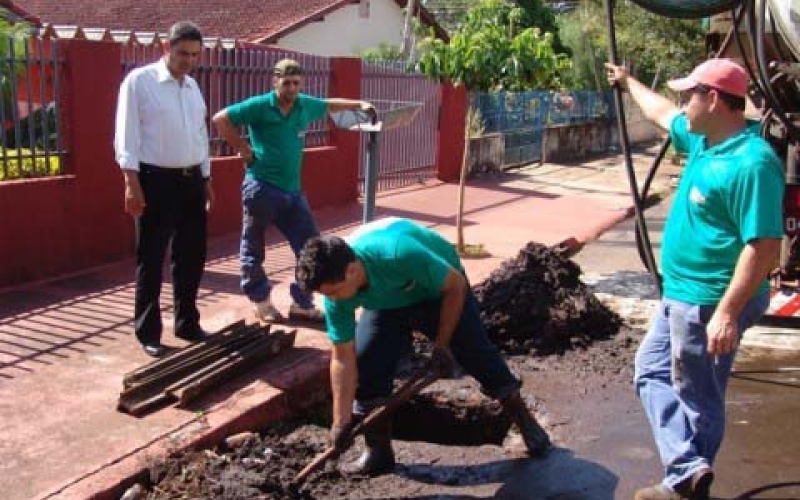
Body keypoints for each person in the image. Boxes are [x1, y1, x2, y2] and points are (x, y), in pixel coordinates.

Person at [605, 59, 784, 500]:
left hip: (709, 300)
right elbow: (661, 113)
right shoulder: (704, 141)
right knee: (650, 371)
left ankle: (685, 482)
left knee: (697, 391)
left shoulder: (752, 163)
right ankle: (688, 467)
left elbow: (763, 247)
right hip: (682, 294)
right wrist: (630, 82)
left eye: (691, 95)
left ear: (715, 99)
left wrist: (726, 313)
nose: (684, 104)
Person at [295, 217, 552, 475]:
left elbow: (455, 286)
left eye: (334, 292)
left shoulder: (398, 253)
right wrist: (341, 422)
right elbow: (342, 358)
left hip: (438, 291)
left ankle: (523, 418)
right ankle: (378, 452)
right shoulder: (337, 295)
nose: (332, 300)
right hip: (386, 302)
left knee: (474, 350)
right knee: (367, 364)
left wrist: (441, 345)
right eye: (327, 295)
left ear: (351, 270)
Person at [213, 58, 376, 324]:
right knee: (253, 247)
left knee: (311, 247)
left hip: (293, 192)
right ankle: (261, 301)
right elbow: (221, 119)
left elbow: (329, 104)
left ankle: (301, 303)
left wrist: (359, 105)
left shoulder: (304, 105)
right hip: (261, 187)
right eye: (286, 82)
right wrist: (243, 149)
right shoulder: (259, 106)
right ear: (275, 81)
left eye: (296, 83)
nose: (291, 88)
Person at [115, 21, 213, 358]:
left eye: (194, 55)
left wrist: (206, 178)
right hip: (155, 181)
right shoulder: (140, 82)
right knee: (152, 257)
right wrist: (131, 182)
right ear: (167, 49)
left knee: (192, 254)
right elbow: (126, 134)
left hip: (191, 182)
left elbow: (200, 136)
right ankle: (148, 332)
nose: (188, 60)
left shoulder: (192, 88)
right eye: (182, 53)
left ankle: (187, 321)